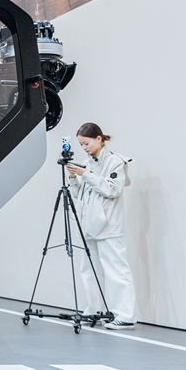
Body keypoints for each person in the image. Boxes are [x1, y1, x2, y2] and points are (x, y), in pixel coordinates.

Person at [68, 122, 137, 330]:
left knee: (116, 270)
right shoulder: (86, 163)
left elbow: (112, 189)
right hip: (89, 225)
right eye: (81, 145)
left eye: (86, 143)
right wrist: (73, 179)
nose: (84, 148)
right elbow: (81, 195)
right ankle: (94, 310)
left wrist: (85, 174)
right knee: (89, 270)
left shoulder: (116, 161)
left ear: (99, 139)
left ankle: (125, 315)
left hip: (109, 228)